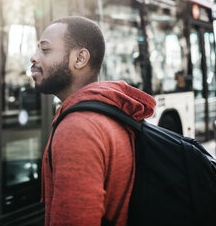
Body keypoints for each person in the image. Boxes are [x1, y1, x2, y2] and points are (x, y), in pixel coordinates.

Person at [30, 16, 155, 226]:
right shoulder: (113, 111)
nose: (34, 57)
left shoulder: (77, 129)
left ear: (79, 59)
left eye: (45, 50)